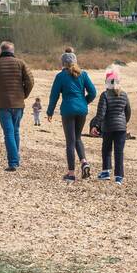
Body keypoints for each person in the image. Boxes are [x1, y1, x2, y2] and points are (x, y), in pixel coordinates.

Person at [0, 40, 35, 172]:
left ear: (1, 51)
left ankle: (13, 162)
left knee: (9, 133)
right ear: (12, 51)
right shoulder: (21, 63)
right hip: (18, 103)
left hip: (2, 104)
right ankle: (16, 160)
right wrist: (24, 95)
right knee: (15, 131)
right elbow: (30, 81)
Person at [46, 47, 97, 182]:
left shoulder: (60, 76)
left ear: (63, 63)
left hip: (68, 110)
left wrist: (50, 112)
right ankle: (84, 161)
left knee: (70, 141)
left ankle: (71, 173)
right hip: (82, 110)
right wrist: (84, 102)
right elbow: (93, 92)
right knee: (78, 138)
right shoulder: (83, 74)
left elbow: (54, 96)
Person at [95, 71, 132, 183]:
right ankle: (119, 177)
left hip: (108, 127)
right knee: (119, 152)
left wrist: (96, 125)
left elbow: (101, 113)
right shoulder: (124, 94)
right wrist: (124, 122)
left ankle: (106, 172)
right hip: (121, 128)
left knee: (106, 149)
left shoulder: (105, 95)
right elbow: (128, 111)